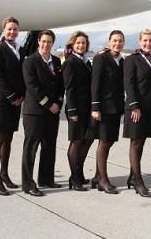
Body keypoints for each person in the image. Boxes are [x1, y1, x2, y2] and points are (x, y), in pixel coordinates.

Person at [21, 29, 64, 197]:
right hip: (35, 112)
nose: (46, 44)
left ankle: (46, 179)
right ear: (39, 41)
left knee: (49, 146)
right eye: (43, 41)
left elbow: (61, 86)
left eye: (49, 42)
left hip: (52, 112)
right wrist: (49, 104)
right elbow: (33, 87)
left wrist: (58, 103)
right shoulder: (30, 62)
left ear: (53, 43)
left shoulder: (56, 61)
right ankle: (28, 183)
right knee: (31, 147)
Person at [123, 28, 151, 198]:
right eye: (145, 40)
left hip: (149, 108)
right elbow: (129, 83)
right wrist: (134, 106)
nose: (148, 43)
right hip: (136, 109)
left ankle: (133, 176)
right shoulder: (132, 59)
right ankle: (138, 181)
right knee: (136, 143)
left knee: (141, 143)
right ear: (140, 42)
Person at [0, 16, 25, 196]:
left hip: (16, 101)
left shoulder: (20, 49)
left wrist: (22, 95)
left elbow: (23, 74)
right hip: (3, 101)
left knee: (9, 139)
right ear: (3, 30)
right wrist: (11, 97)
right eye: (9, 29)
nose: (12, 32)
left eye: (15, 29)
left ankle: (4, 174)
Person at [89, 30, 126, 194]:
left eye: (120, 41)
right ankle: (103, 179)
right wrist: (95, 107)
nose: (117, 43)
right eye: (115, 40)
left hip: (116, 108)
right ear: (109, 42)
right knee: (104, 142)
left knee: (109, 141)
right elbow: (95, 83)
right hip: (103, 108)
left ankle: (98, 176)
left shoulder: (122, 61)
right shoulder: (101, 58)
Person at [62, 31, 94, 192]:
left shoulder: (86, 61)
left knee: (87, 140)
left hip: (87, 108)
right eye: (78, 43)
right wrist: (72, 111)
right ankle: (74, 178)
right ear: (73, 45)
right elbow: (69, 88)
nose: (81, 45)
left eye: (83, 43)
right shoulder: (70, 62)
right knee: (76, 141)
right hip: (76, 108)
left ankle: (79, 173)